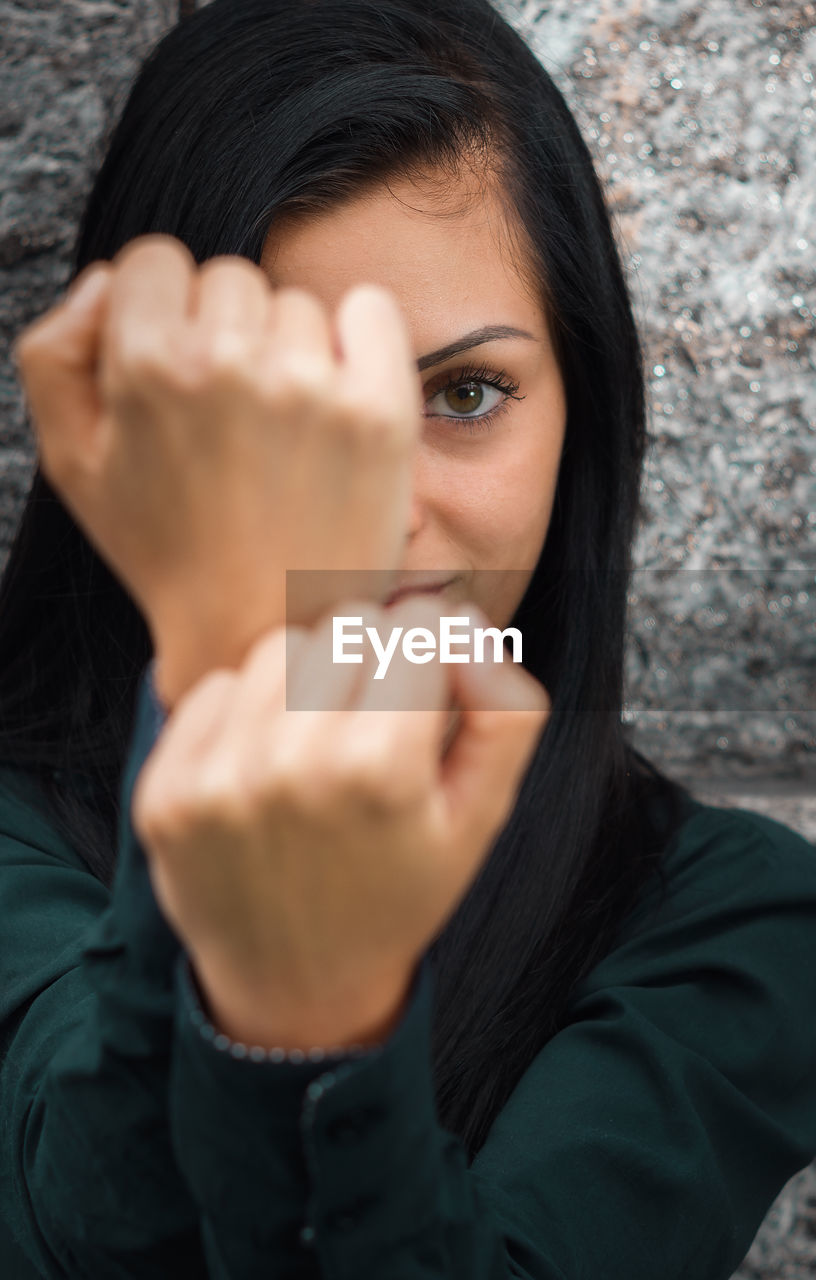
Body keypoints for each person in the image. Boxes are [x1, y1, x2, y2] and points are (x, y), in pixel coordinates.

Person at [1, 1, 815, 1277]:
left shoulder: (729, 922)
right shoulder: (16, 837)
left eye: (464, 394)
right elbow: (77, 1219)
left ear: (579, 417)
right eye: (300, 410)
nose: (376, 511)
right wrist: (228, 664)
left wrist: (310, 1011)